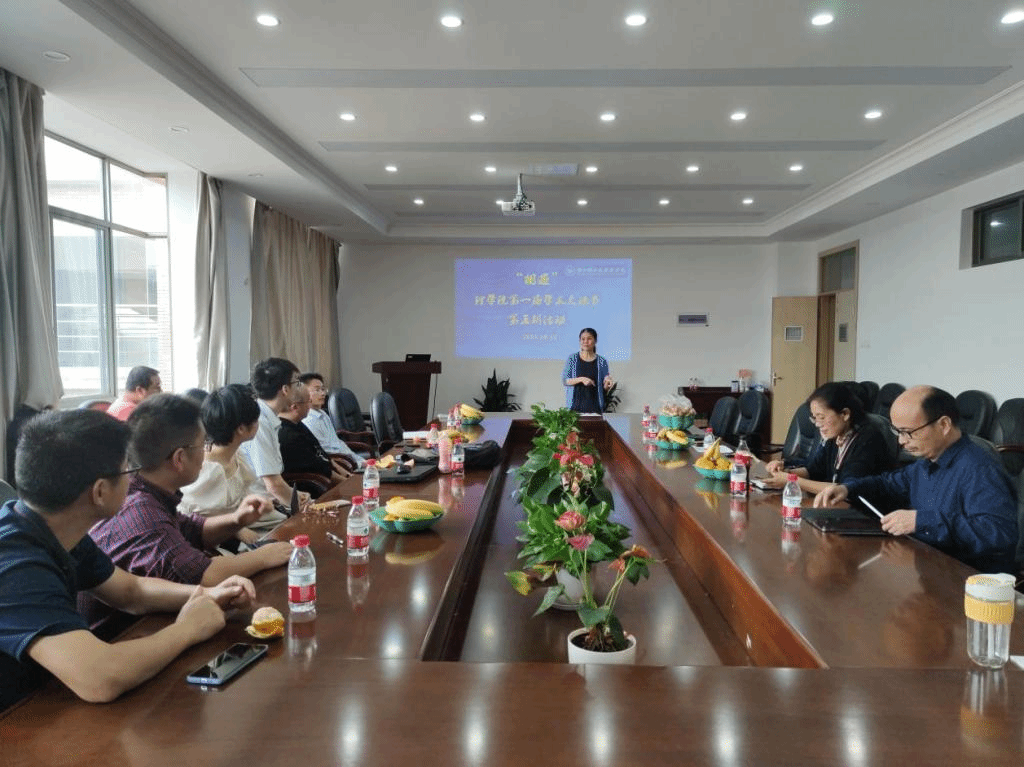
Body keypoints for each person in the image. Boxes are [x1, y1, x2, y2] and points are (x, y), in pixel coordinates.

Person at [0, 409, 256, 709]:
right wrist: (187, 629)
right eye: (127, 471)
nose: (134, 479)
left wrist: (207, 594)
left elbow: (131, 591)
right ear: (100, 491)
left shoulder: (55, 528)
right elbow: (100, 677)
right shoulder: (15, 563)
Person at [87, 394, 293, 587]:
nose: (206, 451)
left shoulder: (143, 489)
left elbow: (192, 529)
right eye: (202, 444)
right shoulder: (142, 512)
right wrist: (263, 557)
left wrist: (237, 519)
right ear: (179, 458)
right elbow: (203, 574)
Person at [814, 385, 1019, 573]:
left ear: (944, 424)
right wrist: (847, 488)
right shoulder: (927, 462)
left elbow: (999, 533)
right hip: (929, 567)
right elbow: (887, 483)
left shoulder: (980, 468)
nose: (901, 441)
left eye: (908, 432)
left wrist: (921, 521)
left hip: (968, 579)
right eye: (897, 432)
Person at [762, 381, 895, 494]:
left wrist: (792, 480)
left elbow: (846, 489)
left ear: (845, 414)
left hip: (863, 512)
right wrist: (785, 471)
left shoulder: (868, 439)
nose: (817, 424)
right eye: (815, 418)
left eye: (822, 417)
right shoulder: (836, 436)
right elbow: (813, 470)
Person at [178, 384, 266, 546]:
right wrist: (237, 530)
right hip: (210, 544)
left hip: (235, 531)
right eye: (255, 420)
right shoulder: (208, 469)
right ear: (241, 428)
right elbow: (190, 519)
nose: (258, 424)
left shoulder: (236, 455)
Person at [238, 357, 310, 508]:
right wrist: (306, 507)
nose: (300, 387)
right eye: (297, 383)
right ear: (285, 390)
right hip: (259, 508)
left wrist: (297, 495)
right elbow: (273, 486)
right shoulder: (259, 422)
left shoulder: (268, 417)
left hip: (272, 502)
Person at [278, 384, 350, 488]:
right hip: (315, 487)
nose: (310, 404)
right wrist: (349, 483)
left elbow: (323, 457)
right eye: (308, 401)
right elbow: (321, 470)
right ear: (295, 407)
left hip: (328, 478)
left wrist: (349, 476)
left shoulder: (297, 423)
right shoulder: (288, 436)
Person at [299, 372, 366, 471]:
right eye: (317, 390)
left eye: (323, 389)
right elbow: (326, 451)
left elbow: (337, 443)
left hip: (346, 461)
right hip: (336, 467)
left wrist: (361, 461)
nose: (322, 393)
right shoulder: (309, 421)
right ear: (303, 393)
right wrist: (357, 463)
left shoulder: (323, 414)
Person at [562, 327, 613, 413]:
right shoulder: (572, 358)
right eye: (583, 339)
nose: (585, 341)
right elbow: (565, 381)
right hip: (575, 408)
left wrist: (607, 384)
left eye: (589, 339)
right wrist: (581, 379)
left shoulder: (602, 361)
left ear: (595, 341)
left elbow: (604, 387)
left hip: (595, 408)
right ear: (580, 341)